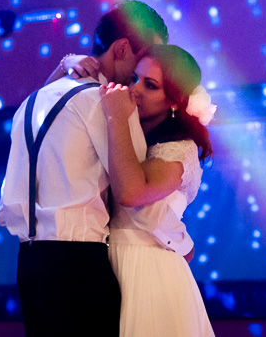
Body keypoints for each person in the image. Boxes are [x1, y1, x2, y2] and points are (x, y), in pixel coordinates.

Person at [0, 0, 174, 336]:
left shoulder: (32, 101)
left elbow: (7, 207)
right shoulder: (107, 103)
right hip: (79, 264)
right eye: (148, 56)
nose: (152, 66)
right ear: (123, 48)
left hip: (28, 264)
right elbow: (133, 190)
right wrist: (177, 240)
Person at [64, 45, 216, 336]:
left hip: (148, 269)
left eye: (150, 85)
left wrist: (116, 117)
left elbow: (132, 193)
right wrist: (68, 64)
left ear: (175, 101)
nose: (135, 89)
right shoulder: (134, 137)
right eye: (135, 78)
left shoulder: (179, 149)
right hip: (106, 264)